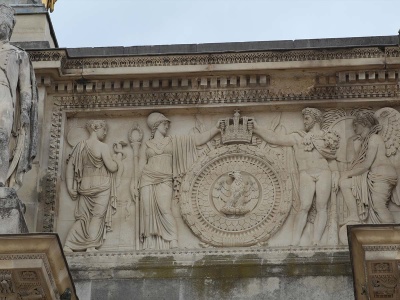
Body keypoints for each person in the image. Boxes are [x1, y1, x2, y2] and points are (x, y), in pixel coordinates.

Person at [253, 108, 340, 245]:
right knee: (304, 206)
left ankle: (316, 240)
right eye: (304, 118)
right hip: (305, 173)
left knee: (322, 207)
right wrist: (257, 129)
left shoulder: (326, 137)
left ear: (316, 119)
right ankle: (295, 241)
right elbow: (275, 139)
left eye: (307, 118)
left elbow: (331, 157)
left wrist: (336, 173)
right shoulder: (297, 137)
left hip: (324, 172)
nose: (304, 121)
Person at [139, 112, 220, 250]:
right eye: (164, 124)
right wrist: (132, 182)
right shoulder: (147, 144)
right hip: (147, 179)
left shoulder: (173, 141)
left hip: (165, 178)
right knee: (148, 211)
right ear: (156, 125)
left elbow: (197, 140)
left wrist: (216, 129)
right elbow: (141, 163)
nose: (167, 126)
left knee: (165, 209)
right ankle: (150, 243)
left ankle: (173, 240)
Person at [63, 120, 123, 252]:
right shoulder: (102, 147)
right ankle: (90, 245)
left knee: (83, 218)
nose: (106, 132)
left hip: (84, 187)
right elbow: (112, 167)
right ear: (96, 128)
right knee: (97, 217)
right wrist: (119, 157)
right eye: (104, 129)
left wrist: (69, 186)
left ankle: (68, 244)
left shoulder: (80, 146)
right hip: (102, 187)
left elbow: (70, 167)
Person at [0, 4, 38, 189]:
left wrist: (24, 111)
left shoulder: (19, 54)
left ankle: (1, 180)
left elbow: (25, 88)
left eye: (4, 24)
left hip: (5, 96)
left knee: (2, 136)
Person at [339, 111, 397, 224]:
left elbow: (366, 165)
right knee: (345, 184)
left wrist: (347, 174)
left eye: (356, 125)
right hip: (371, 176)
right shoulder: (364, 142)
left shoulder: (374, 138)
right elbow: (352, 162)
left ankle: (392, 234)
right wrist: (350, 142)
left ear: (364, 124)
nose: (354, 128)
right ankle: (354, 215)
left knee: (379, 206)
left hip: (381, 175)